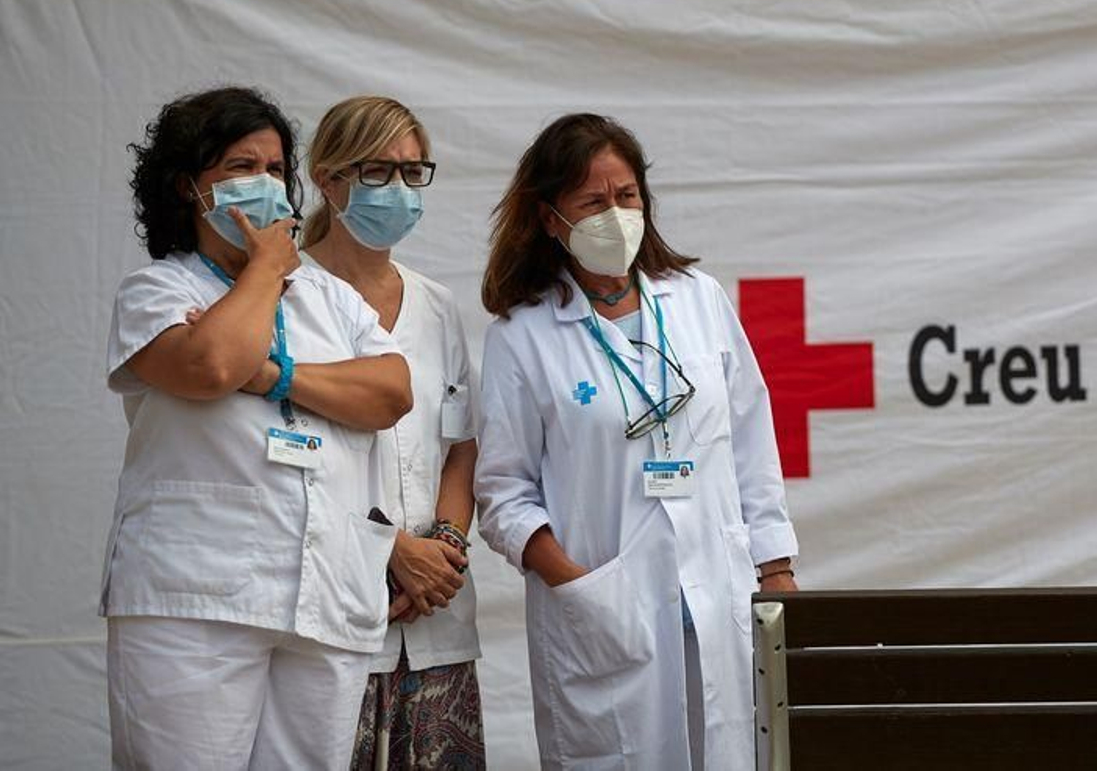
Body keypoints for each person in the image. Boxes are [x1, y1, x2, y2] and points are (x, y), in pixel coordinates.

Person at [475, 113, 799, 771]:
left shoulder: (698, 299)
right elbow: (502, 491)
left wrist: (777, 571)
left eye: (627, 197)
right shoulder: (523, 334)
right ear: (549, 219)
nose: (615, 215)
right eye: (592, 202)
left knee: (734, 750)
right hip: (604, 605)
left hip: (718, 592)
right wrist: (574, 583)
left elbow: (750, 444)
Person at [102, 86, 413, 768]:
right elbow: (212, 364)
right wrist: (267, 267)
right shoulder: (162, 289)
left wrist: (275, 374)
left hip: (325, 589)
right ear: (190, 186)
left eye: (276, 169)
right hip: (196, 595)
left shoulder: (331, 296)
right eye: (244, 167)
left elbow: (392, 391)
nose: (267, 184)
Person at [300, 96, 486, 769]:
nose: (400, 190)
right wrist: (389, 550)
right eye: (379, 171)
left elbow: (459, 446)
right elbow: (291, 459)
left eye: (414, 172)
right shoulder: (285, 295)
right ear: (327, 178)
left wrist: (444, 548)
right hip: (334, 611)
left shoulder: (435, 303)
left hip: (436, 616)